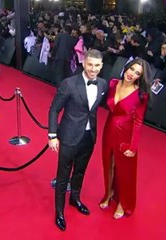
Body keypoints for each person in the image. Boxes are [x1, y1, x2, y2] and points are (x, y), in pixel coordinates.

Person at [48, 49, 108, 231]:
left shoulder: (104, 84)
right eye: (90, 64)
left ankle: (75, 199)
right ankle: (59, 212)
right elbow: (54, 109)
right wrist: (52, 135)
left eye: (97, 65)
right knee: (62, 176)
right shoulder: (69, 84)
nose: (93, 69)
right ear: (84, 63)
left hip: (89, 137)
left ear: (102, 66)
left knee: (80, 171)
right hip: (68, 136)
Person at [99, 58, 151, 219]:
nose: (132, 74)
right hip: (108, 129)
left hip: (126, 135)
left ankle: (123, 202)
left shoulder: (141, 94)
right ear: (126, 67)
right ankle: (109, 193)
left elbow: (139, 121)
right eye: (131, 69)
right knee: (108, 164)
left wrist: (133, 146)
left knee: (125, 170)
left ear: (140, 77)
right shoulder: (113, 83)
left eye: (137, 73)